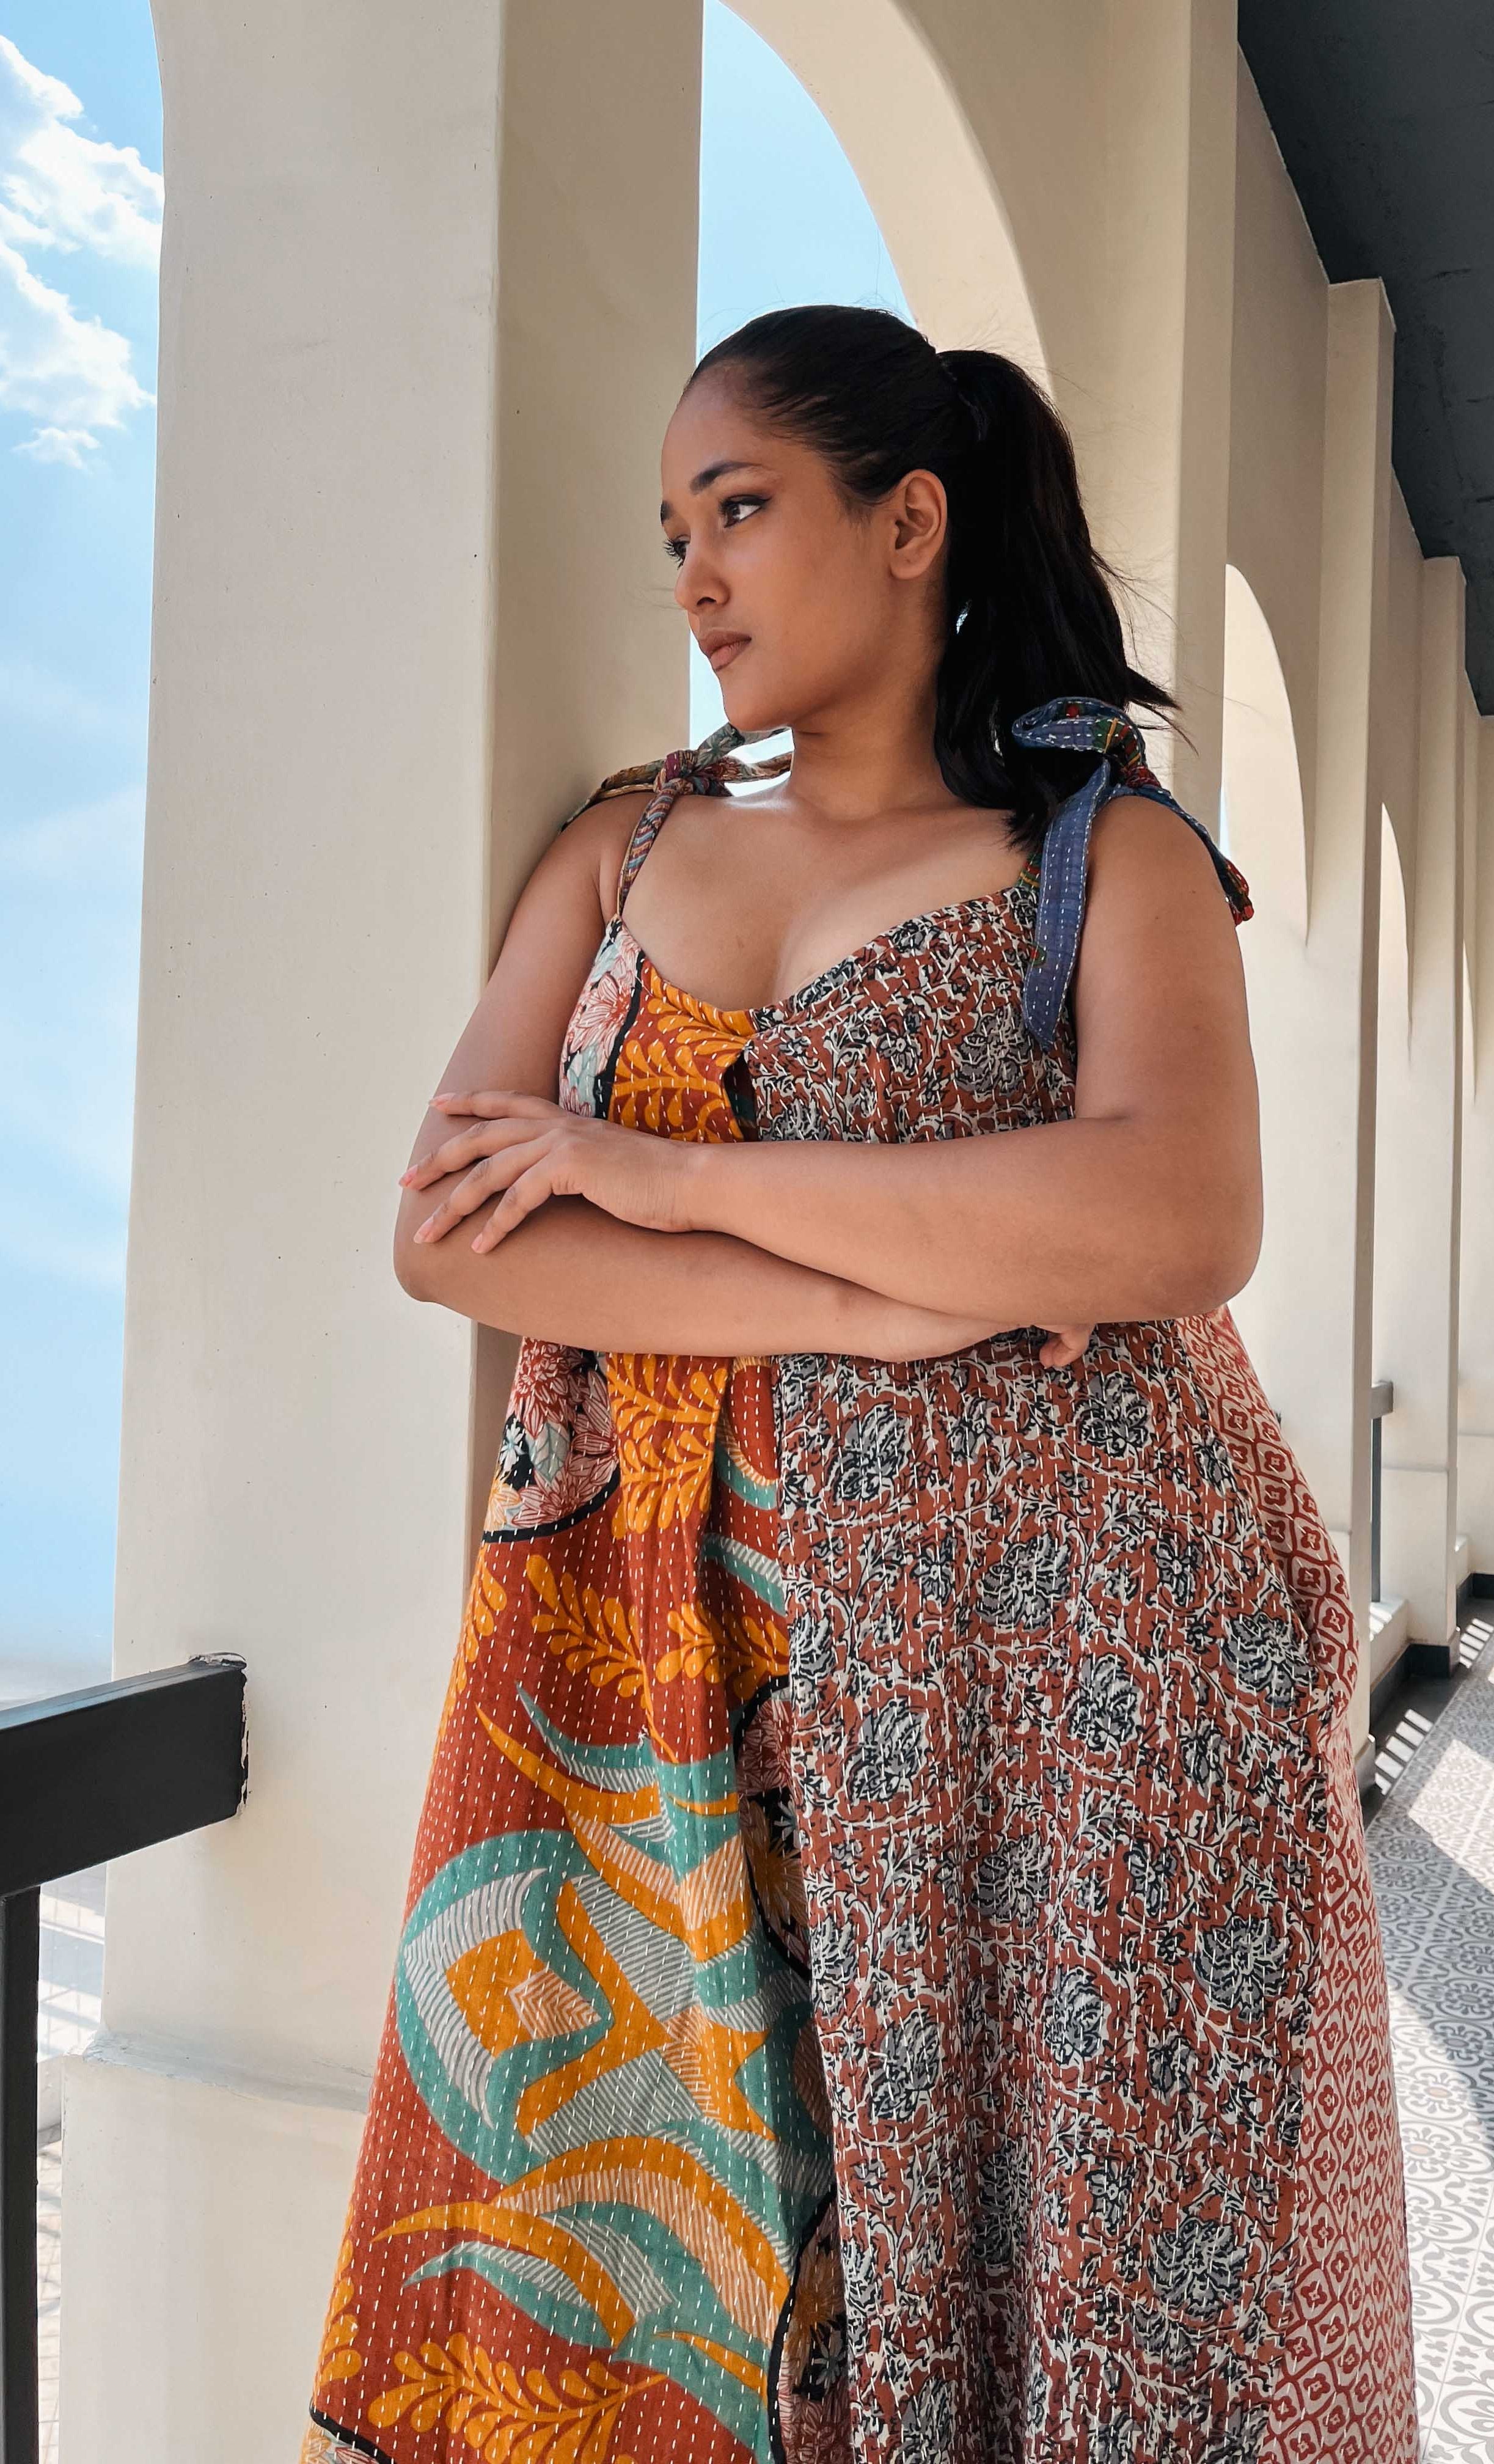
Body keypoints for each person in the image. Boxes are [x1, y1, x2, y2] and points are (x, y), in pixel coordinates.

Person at [301, 304, 1417, 2464]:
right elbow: (449, 1229)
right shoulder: (627, 846)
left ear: (911, 521)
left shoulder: (1101, 850)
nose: (697, 577)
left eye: (741, 510)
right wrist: (877, 1294)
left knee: (1068, 2276)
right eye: (671, 535)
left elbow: (1175, 1221)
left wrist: (641, 1174)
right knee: (678, 2257)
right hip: (665, 1663)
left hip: (1083, 1666)